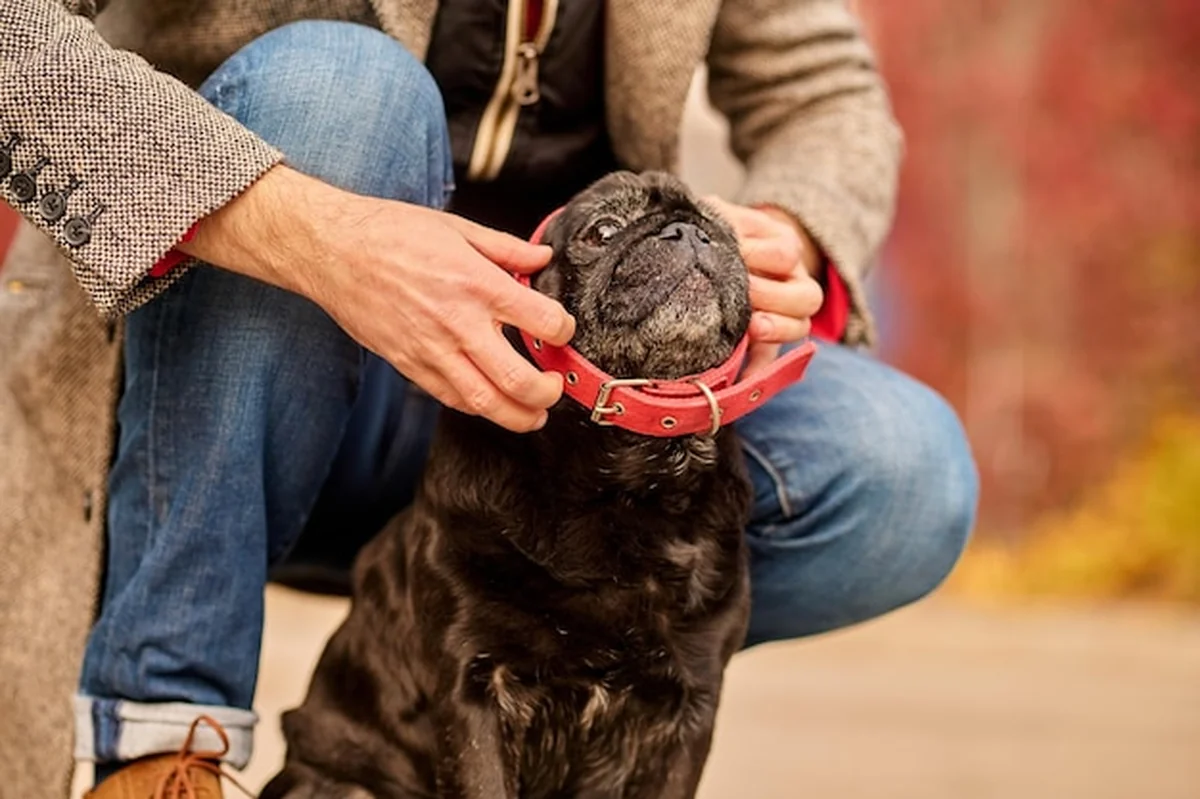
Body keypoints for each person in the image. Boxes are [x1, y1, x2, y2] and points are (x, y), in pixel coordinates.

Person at [0, 0, 979, 795]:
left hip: (567, 423)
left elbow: (822, 90)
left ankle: (556, 717)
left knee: (903, 467)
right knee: (342, 91)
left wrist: (781, 232)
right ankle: (163, 740)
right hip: (253, 376)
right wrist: (319, 236)